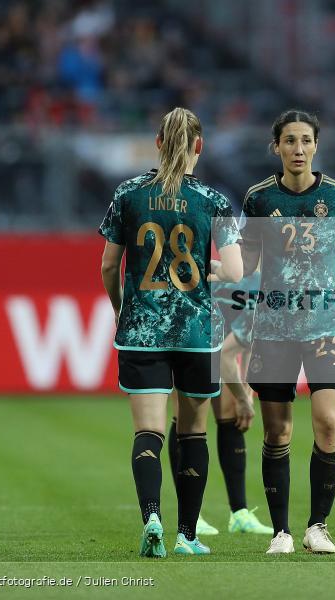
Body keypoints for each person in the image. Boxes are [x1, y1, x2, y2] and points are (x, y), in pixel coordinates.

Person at [213, 109, 335, 555]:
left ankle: (317, 526)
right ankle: (281, 531)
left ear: (316, 145)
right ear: (277, 147)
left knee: (327, 421)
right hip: (274, 328)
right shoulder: (259, 199)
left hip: (327, 325)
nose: (298, 149)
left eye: (305, 141)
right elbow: (246, 262)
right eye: (289, 141)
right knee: (277, 433)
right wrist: (212, 270)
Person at [99, 106, 242, 558]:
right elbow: (236, 270)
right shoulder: (213, 199)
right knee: (194, 434)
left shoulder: (128, 193)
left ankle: (152, 519)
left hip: (142, 330)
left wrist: (122, 307)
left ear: (157, 144)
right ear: (199, 147)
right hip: (197, 332)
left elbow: (107, 265)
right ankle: (187, 535)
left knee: (149, 433)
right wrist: (209, 270)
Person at [166, 270, 273, 537]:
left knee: (230, 418)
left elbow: (250, 342)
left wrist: (247, 393)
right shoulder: (226, 268)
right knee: (186, 420)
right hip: (193, 338)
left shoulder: (265, 281)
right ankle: (191, 514)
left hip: (224, 346)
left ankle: (239, 513)